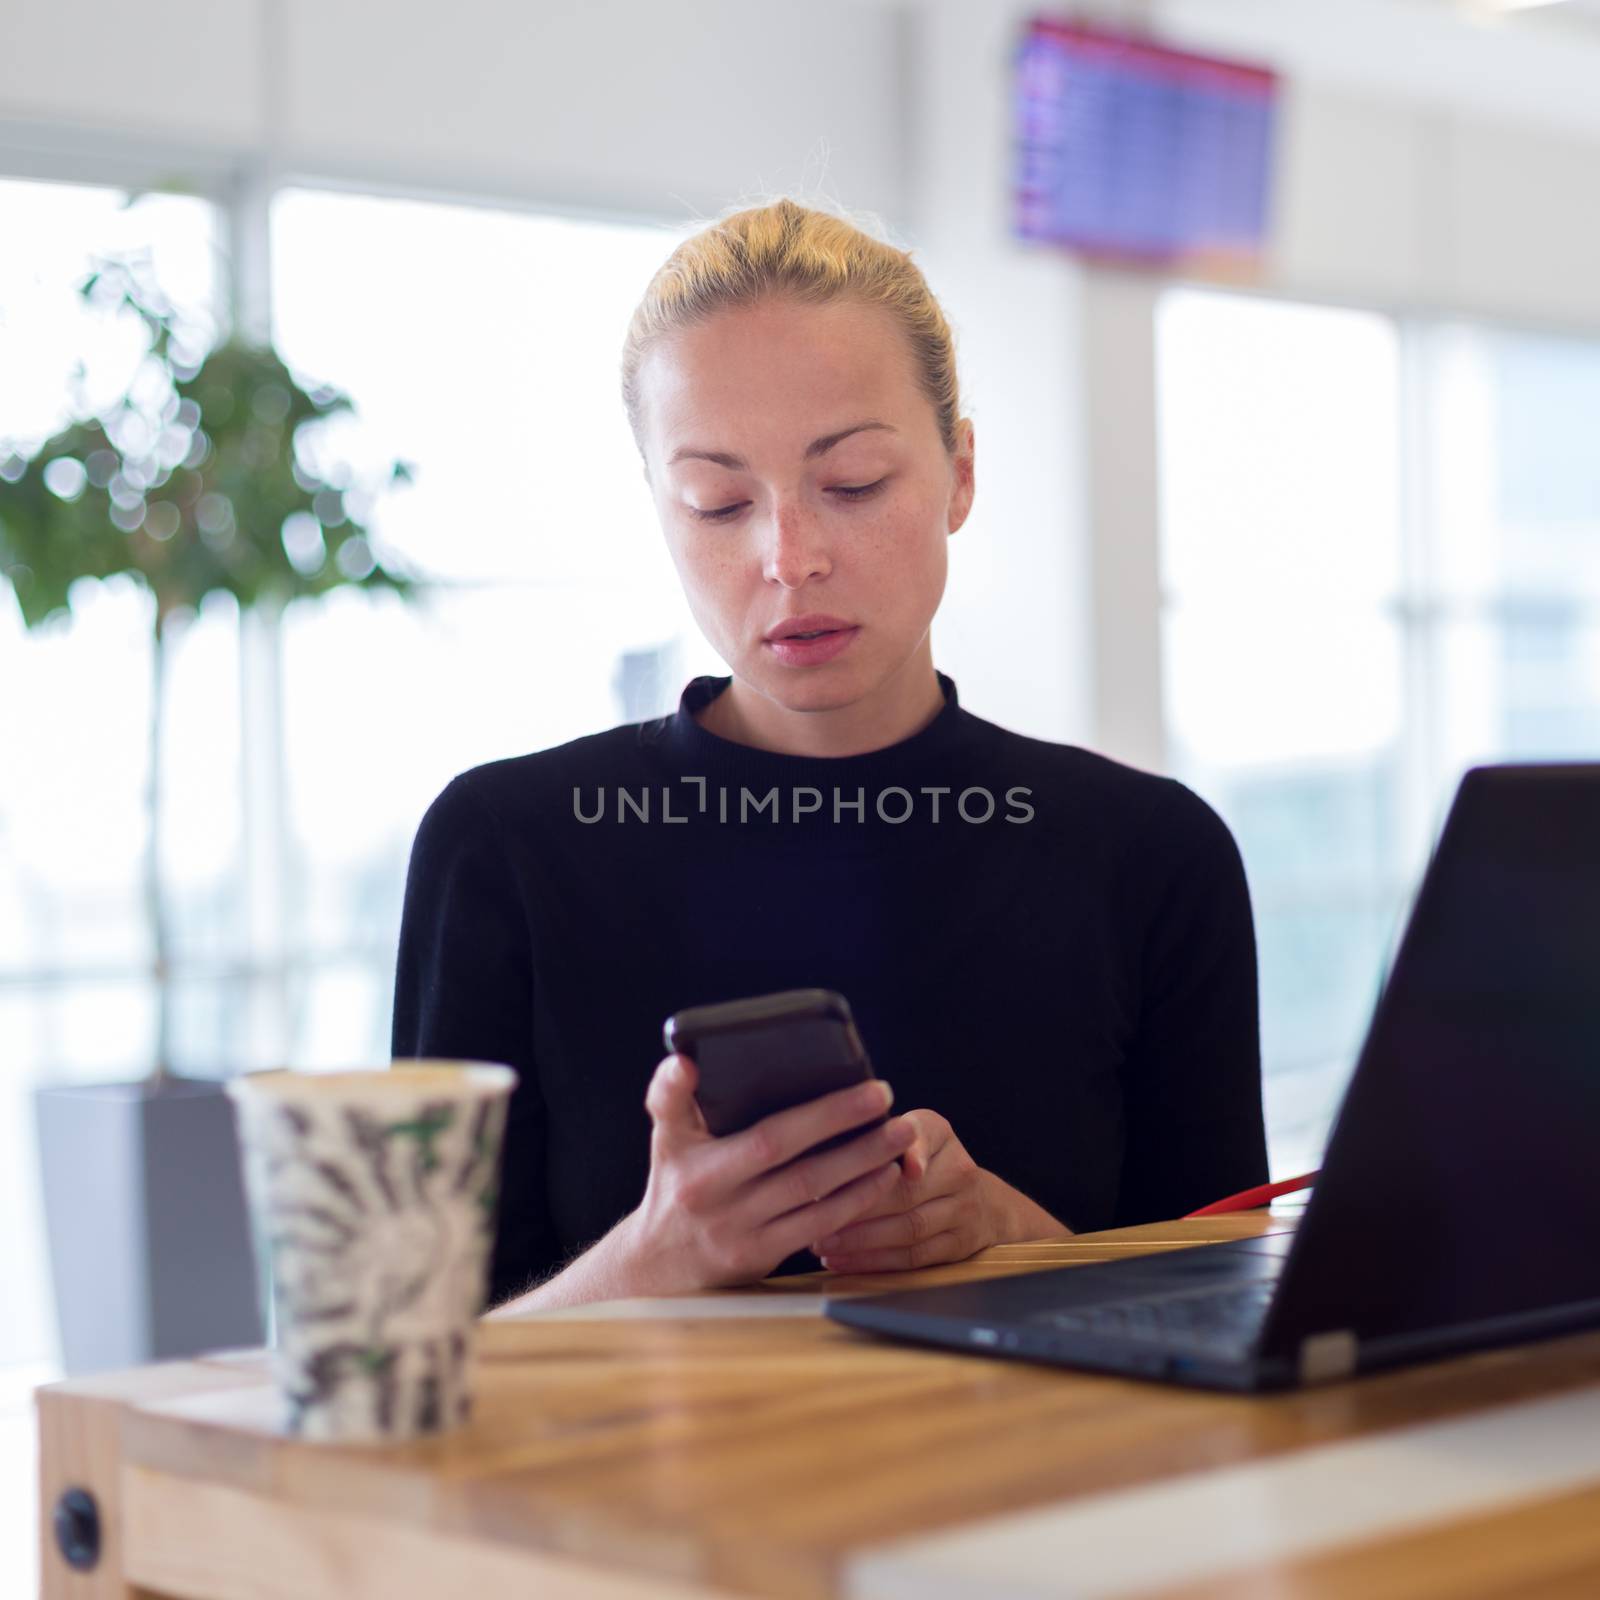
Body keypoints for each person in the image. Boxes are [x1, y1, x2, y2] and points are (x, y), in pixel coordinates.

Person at [392, 197, 1267, 1316]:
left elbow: (1236, 1328)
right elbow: (404, 1376)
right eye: (717, 502)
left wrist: (1007, 1236)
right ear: (659, 510)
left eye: (851, 483)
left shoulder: (1149, 856)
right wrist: (655, 1259)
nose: (788, 559)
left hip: (1044, 1496)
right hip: (622, 1495)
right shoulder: (506, 848)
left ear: (958, 473)